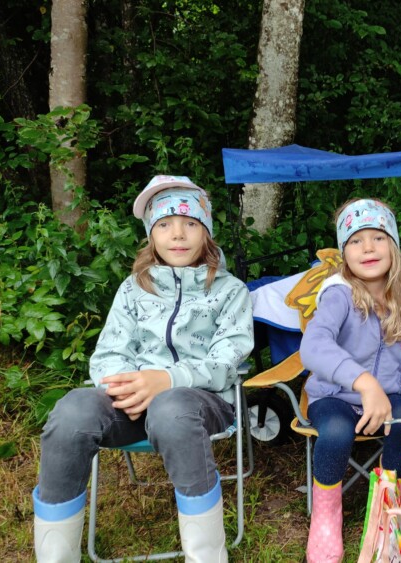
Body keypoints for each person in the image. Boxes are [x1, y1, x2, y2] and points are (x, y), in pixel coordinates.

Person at [32, 175, 254, 563]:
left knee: (171, 407)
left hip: (202, 404)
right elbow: (109, 353)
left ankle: (207, 556)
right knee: (72, 411)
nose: (178, 234)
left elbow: (225, 362)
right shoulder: (134, 289)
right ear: (151, 234)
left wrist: (166, 380)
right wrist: (125, 389)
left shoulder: (230, 291)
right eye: (164, 224)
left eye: (190, 223)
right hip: (131, 404)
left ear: (206, 233)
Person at [299, 198, 401, 563]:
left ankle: (391, 511)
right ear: (344, 253)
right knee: (336, 432)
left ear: (393, 246)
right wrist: (364, 382)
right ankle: (325, 517)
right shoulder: (339, 295)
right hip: (335, 396)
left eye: (378, 237)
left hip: (389, 398)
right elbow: (313, 346)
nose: (368, 248)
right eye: (355, 240)